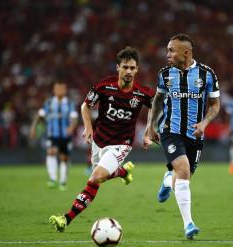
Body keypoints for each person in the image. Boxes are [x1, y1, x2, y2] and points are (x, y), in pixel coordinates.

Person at [49, 47, 154, 231]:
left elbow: (156, 107)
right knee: (100, 177)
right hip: (99, 141)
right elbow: (85, 106)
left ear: (137, 69)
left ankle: (66, 219)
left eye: (132, 68)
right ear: (118, 68)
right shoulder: (104, 86)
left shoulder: (142, 92)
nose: (129, 71)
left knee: (95, 178)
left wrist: (148, 131)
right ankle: (122, 173)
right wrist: (89, 127)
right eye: (125, 67)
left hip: (121, 144)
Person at [144, 34, 220, 239]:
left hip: (195, 134)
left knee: (183, 178)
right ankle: (189, 224)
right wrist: (150, 126)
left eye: (171, 50)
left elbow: (215, 104)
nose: (167, 54)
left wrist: (204, 123)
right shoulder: (165, 74)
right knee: (184, 170)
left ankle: (168, 180)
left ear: (186, 53)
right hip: (170, 130)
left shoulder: (207, 74)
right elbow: (158, 100)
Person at [30, 81, 78, 190]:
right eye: (58, 88)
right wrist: (33, 128)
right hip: (52, 134)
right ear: (54, 90)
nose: (60, 90)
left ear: (65, 90)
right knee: (51, 152)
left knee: (64, 158)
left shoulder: (69, 103)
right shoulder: (49, 103)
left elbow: (74, 117)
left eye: (62, 89)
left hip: (65, 135)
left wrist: (71, 127)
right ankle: (52, 179)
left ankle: (62, 182)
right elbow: (39, 115)